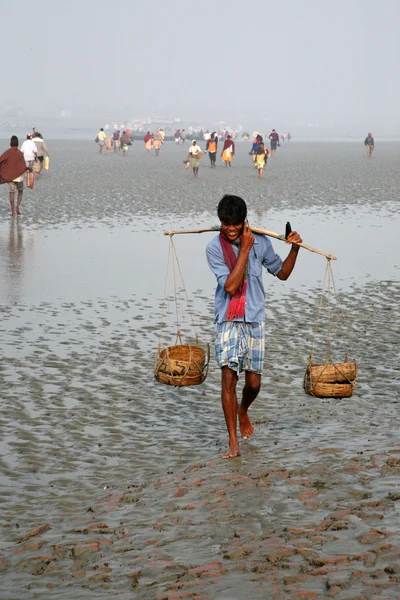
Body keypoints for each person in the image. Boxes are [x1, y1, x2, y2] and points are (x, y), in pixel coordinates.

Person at [206, 195, 302, 458]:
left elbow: (282, 273)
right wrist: (244, 249)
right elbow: (229, 286)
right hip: (227, 317)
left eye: (235, 224)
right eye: (225, 224)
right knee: (229, 379)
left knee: (254, 384)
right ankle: (233, 443)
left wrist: (294, 248)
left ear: (244, 221)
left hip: (254, 317)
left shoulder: (261, 242)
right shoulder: (214, 248)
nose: (230, 229)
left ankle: (243, 410)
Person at [0, 136, 31, 216]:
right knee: (20, 191)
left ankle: (13, 211)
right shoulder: (20, 153)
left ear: (10, 143)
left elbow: (1, 160)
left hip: (10, 177)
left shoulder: (7, 152)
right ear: (17, 143)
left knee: (11, 192)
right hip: (19, 177)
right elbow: (23, 166)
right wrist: (28, 168)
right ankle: (17, 207)